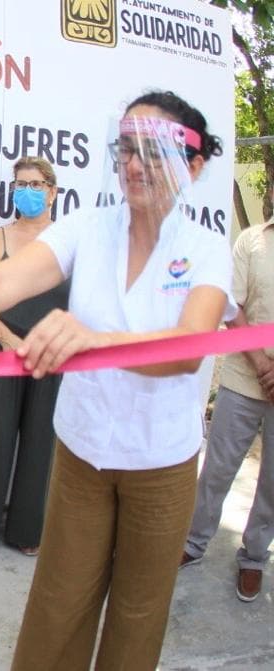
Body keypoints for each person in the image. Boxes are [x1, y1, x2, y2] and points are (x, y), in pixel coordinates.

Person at [0, 91, 234, 669]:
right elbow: (4, 281)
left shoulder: (206, 251)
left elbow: (187, 350)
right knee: (58, 603)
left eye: (153, 153)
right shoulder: (87, 227)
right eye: (127, 149)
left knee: (137, 613)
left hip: (161, 462)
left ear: (194, 167)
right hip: (81, 453)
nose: (134, 165)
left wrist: (93, 342)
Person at [0, 156, 69, 556]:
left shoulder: (67, 241)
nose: (28, 192)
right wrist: (5, 339)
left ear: (53, 192)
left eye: (37, 185)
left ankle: (28, 531)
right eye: (21, 184)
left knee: (42, 441)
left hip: (51, 354)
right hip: (3, 349)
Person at [180, 198, 274, 603]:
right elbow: (231, 308)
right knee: (217, 468)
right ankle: (194, 541)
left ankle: (253, 557)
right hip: (242, 376)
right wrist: (262, 366)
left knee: (272, 480)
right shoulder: (252, 242)